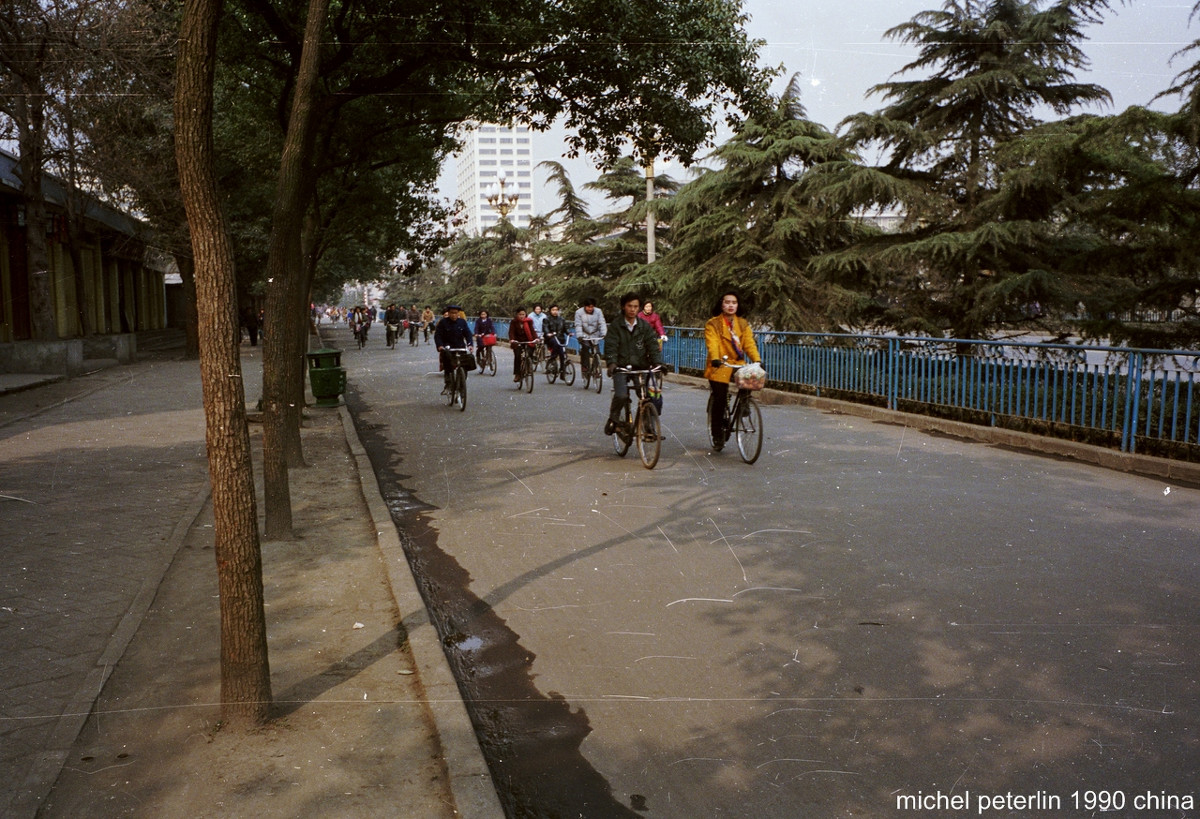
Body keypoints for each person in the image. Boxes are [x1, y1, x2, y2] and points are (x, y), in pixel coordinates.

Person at [704, 290, 763, 451]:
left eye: (734, 303)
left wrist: (757, 360)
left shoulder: (742, 324)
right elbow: (713, 343)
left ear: (738, 305)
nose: (731, 305)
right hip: (719, 364)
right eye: (727, 302)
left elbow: (749, 343)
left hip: (737, 362)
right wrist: (715, 358)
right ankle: (717, 435)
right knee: (720, 398)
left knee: (750, 378)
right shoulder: (713, 323)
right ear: (721, 304)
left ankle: (745, 403)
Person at [602, 292, 662, 434]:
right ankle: (613, 419)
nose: (633, 309)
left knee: (649, 396)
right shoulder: (616, 325)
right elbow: (610, 346)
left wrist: (658, 363)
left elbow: (652, 345)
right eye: (629, 306)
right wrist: (611, 363)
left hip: (640, 366)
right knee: (622, 395)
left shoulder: (644, 326)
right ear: (623, 307)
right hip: (621, 367)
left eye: (636, 306)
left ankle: (649, 426)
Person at [434, 305, 474, 393]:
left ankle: (462, 385)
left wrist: (470, 344)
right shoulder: (443, 322)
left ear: (458, 313)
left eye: (455, 313)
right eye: (452, 313)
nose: (454, 315)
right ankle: (448, 384)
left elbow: (468, 334)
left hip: (460, 347)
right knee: (448, 366)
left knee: (465, 366)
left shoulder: (462, 322)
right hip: (448, 348)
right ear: (448, 313)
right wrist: (440, 346)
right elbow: (438, 335)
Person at [573, 298, 607, 376]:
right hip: (584, 334)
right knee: (585, 349)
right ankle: (585, 367)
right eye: (588, 307)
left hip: (595, 334)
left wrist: (604, 333)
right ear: (585, 306)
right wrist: (579, 336)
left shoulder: (598, 311)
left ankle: (596, 368)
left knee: (597, 352)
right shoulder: (578, 312)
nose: (590, 309)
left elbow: (602, 323)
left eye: (592, 307)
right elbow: (578, 325)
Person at [508, 307, 538, 382]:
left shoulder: (529, 321)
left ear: (526, 314)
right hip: (517, 341)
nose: (522, 316)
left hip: (527, 341)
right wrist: (512, 339)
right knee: (518, 355)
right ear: (517, 315)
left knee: (530, 351)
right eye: (520, 314)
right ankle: (517, 374)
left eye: (523, 314)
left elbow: (532, 331)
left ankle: (528, 366)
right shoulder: (514, 322)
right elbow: (511, 332)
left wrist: (536, 339)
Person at [542, 304, 569, 374]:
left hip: (560, 338)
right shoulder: (546, 319)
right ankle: (552, 358)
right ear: (550, 311)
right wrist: (548, 334)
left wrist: (569, 333)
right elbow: (545, 328)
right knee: (556, 345)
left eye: (556, 310)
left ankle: (562, 369)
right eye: (553, 310)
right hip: (551, 339)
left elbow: (565, 329)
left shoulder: (562, 319)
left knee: (562, 354)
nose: (555, 312)